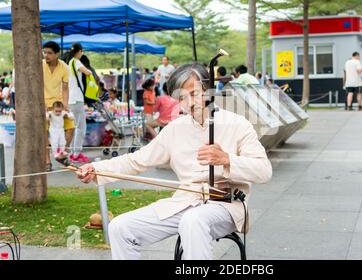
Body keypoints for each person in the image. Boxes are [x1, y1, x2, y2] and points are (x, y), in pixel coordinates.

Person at [76, 62, 272, 260]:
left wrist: (227, 160)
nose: (189, 103)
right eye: (181, 98)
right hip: (184, 202)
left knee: (193, 221)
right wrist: (96, 168)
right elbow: (137, 160)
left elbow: (264, 171)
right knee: (120, 227)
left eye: (194, 93)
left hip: (226, 205)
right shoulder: (175, 128)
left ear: (208, 90)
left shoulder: (237, 124)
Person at [42, 41, 76, 171]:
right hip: (43, 103)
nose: (46, 55)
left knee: (71, 127)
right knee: (44, 132)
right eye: (45, 52)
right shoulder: (40, 64)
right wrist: (42, 104)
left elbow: (65, 88)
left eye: (49, 53)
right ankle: (47, 160)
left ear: (57, 54)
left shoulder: (64, 67)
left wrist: (65, 105)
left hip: (59, 104)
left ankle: (61, 154)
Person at [65, 43, 93, 164]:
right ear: (80, 51)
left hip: (72, 98)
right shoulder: (76, 62)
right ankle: (76, 154)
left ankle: (72, 153)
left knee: (74, 126)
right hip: (76, 98)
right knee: (81, 127)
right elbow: (88, 72)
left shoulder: (69, 62)